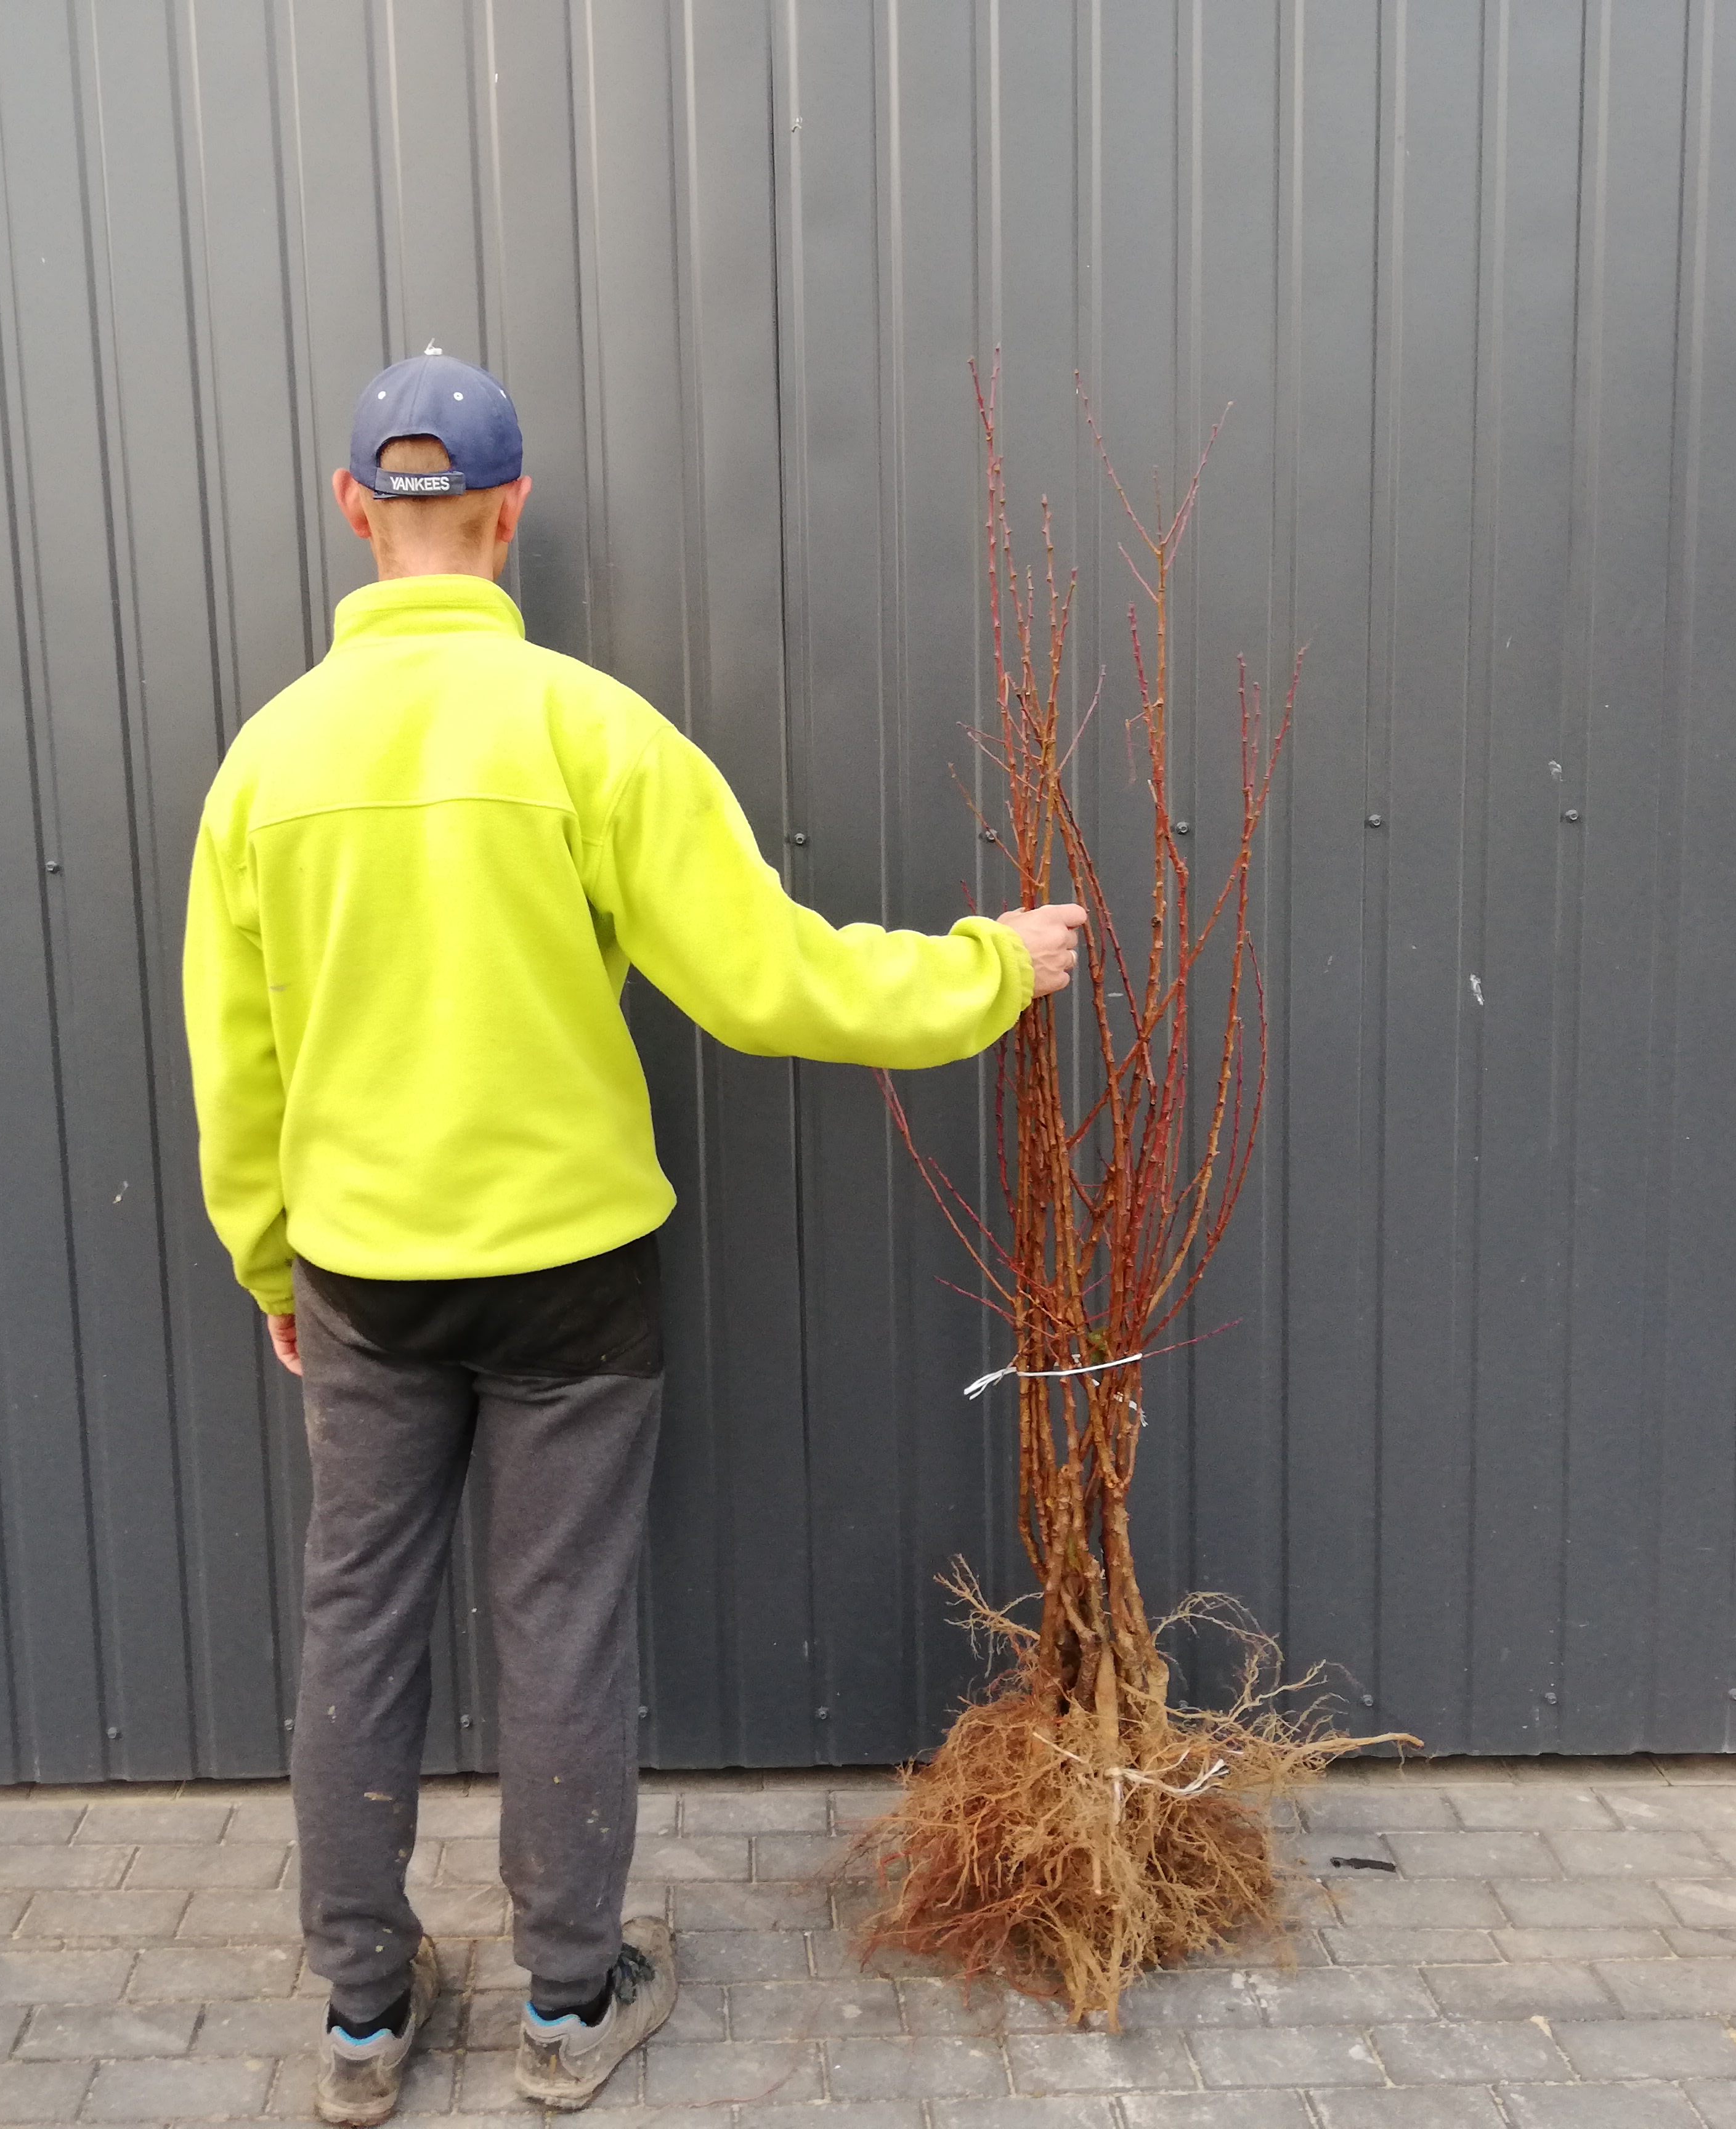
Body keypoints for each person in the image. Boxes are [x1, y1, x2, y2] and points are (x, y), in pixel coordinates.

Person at [182, 348, 1085, 2124]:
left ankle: (363, 2020)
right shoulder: (587, 732)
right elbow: (772, 981)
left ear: (354, 511)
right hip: (570, 1279)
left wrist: (268, 1261)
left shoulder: (266, 763)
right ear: (511, 514)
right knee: (562, 1628)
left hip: (364, 1273)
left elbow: (238, 1063)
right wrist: (992, 968)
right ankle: (567, 2006)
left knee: (356, 1621)